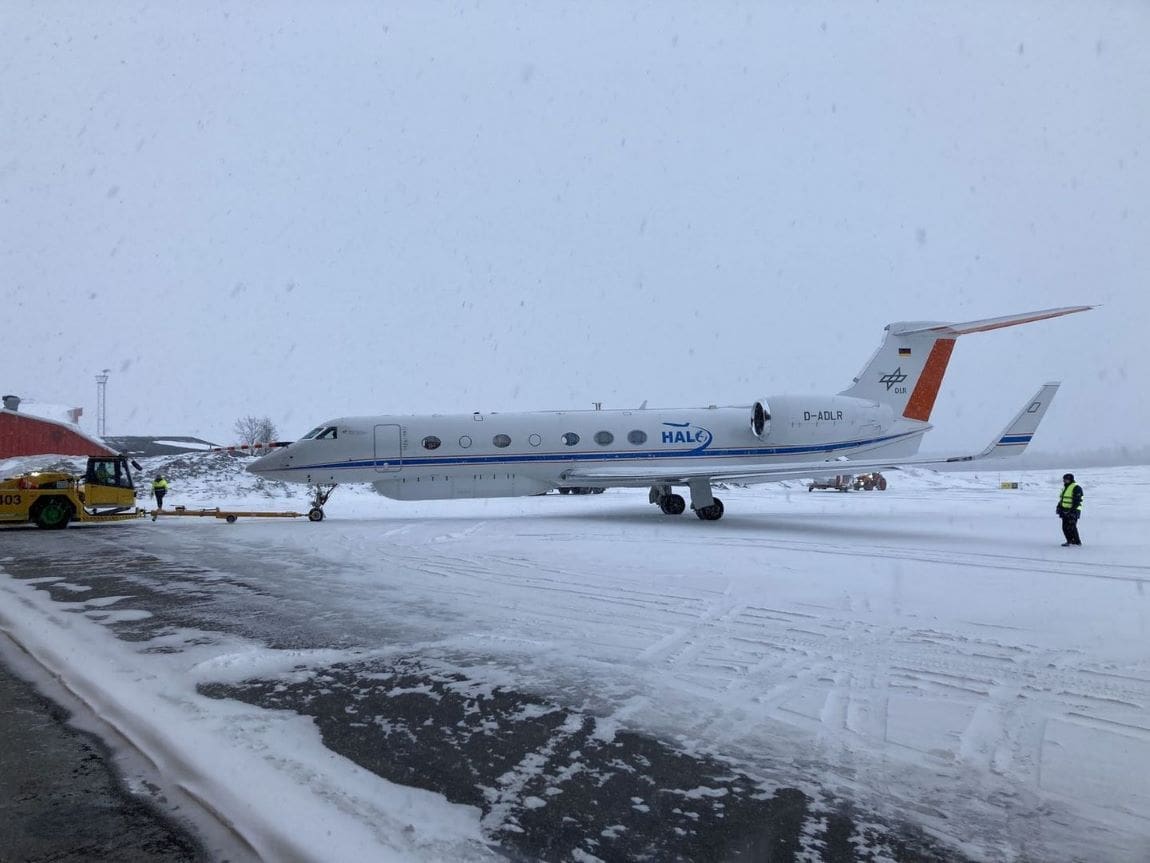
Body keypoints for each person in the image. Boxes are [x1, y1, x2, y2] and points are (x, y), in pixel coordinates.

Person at [1056, 472, 1083, 546]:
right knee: (1064, 527)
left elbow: (1077, 501)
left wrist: (1071, 510)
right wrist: (1059, 507)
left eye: (1066, 479)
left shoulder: (1076, 488)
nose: (1064, 481)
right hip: (1064, 510)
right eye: (1064, 479)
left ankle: (1077, 542)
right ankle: (1069, 541)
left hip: (1073, 511)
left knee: (1072, 527)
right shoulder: (1065, 488)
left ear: (1070, 479)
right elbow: (1062, 499)